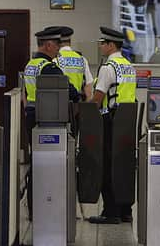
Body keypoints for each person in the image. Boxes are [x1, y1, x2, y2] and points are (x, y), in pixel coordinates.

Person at [23, 27, 80, 219]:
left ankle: (33, 207)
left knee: (36, 163)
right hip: (46, 120)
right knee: (47, 164)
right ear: (48, 45)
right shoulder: (48, 67)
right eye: (57, 45)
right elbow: (70, 91)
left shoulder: (31, 64)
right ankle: (46, 205)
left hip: (31, 116)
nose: (58, 49)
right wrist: (77, 95)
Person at [88, 27, 137, 224]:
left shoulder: (109, 67)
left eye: (102, 43)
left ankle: (110, 211)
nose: (100, 46)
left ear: (111, 45)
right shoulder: (128, 66)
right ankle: (126, 210)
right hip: (128, 121)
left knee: (107, 166)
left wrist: (83, 111)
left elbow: (98, 99)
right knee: (124, 165)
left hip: (111, 121)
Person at [52, 26, 94, 101]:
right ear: (70, 41)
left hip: (60, 103)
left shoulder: (55, 60)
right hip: (77, 102)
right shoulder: (82, 59)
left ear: (57, 42)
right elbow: (89, 86)